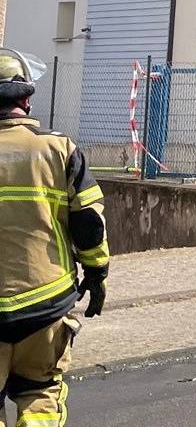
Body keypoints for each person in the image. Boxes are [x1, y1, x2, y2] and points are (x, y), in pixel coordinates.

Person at [0, 54, 109, 425]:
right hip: (45, 304)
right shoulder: (59, 148)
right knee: (40, 395)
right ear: (26, 101)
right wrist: (96, 275)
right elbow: (89, 223)